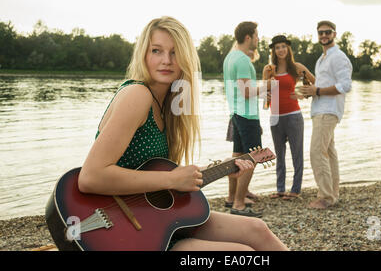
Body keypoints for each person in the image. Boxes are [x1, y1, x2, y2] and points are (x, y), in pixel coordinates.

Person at [78, 16, 288, 251]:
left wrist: (227, 168)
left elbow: (165, 180)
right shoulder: (137, 94)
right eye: (156, 51)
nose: (166, 61)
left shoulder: (171, 104)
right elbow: (90, 177)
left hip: (156, 219)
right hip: (125, 231)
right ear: (143, 54)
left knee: (258, 229)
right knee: (242, 254)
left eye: (175, 53)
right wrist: (172, 178)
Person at [299, 20, 353, 210]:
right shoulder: (321, 59)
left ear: (334, 34)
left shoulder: (338, 57)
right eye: (321, 33)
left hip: (327, 111)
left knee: (316, 152)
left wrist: (318, 91)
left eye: (327, 32)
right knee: (329, 153)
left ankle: (325, 197)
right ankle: (333, 194)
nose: (324, 36)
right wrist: (308, 92)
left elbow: (345, 85)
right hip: (320, 110)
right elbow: (318, 88)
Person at [223, 21, 271, 217]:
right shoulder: (242, 60)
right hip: (246, 115)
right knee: (253, 158)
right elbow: (245, 91)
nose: (258, 39)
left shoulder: (230, 57)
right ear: (248, 37)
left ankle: (230, 197)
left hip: (236, 113)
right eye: (257, 35)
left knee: (238, 157)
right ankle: (239, 205)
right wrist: (266, 87)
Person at [262, 35, 315, 200]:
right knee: (279, 154)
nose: (281, 50)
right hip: (275, 117)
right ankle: (280, 189)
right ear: (274, 51)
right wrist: (267, 92)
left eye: (283, 46)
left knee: (296, 153)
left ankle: (296, 190)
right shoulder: (269, 69)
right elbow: (265, 95)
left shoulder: (297, 67)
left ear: (288, 49)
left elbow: (314, 84)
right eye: (277, 47)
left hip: (293, 116)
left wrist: (300, 94)